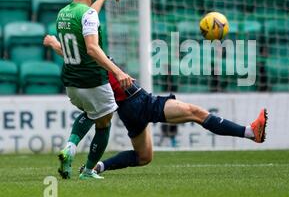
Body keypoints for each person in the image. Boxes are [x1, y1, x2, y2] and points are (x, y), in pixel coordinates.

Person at [43, 36, 268, 177]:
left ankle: (98, 167)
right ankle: (250, 132)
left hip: (128, 109)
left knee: (144, 157)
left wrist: (54, 43)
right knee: (195, 113)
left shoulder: (84, 57)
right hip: (138, 101)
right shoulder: (94, 53)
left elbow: (67, 51)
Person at [55, 0, 133, 179]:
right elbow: (91, 48)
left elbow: (88, 15)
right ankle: (88, 171)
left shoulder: (63, 13)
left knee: (91, 112)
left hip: (72, 83)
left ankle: (70, 148)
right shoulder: (88, 15)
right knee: (104, 122)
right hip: (93, 80)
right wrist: (118, 71)